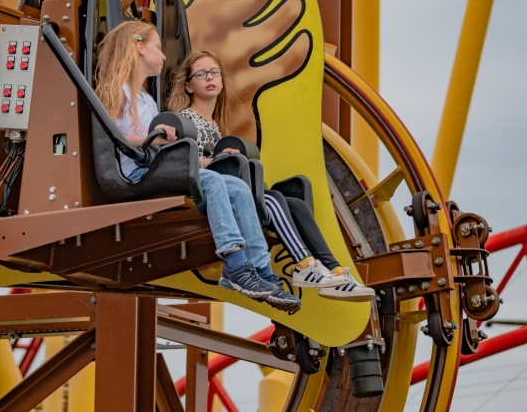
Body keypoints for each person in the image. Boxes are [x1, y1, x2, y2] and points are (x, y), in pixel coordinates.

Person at [95, 20, 299, 312]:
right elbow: (111, 138)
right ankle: (234, 262)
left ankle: (261, 269)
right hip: (134, 174)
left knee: (238, 187)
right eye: (158, 48)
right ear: (139, 48)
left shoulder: (147, 101)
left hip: (153, 166)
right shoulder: (118, 92)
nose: (164, 57)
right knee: (212, 182)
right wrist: (154, 139)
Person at [168, 49, 374, 302]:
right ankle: (305, 265)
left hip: (229, 187)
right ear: (188, 86)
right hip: (208, 192)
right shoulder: (186, 118)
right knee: (272, 199)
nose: (209, 78)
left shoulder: (213, 124)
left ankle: (335, 271)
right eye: (201, 74)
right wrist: (217, 159)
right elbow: (183, 161)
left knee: (295, 204)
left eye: (214, 72)